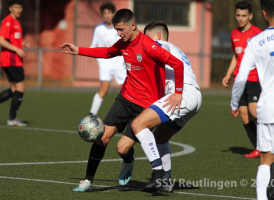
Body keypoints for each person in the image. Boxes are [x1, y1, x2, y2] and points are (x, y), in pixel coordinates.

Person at [59, 9, 184, 192]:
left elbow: (177, 64)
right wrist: (78, 50)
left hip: (147, 107)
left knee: (122, 148)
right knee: (102, 137)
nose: (118, 33)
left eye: (121, 29)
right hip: (125, 99)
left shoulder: (149, 46)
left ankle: (128, 161)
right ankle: (88, 180)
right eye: (116, 30)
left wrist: (178, 92)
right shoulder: (123, 44)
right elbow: (107, 51)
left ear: (133, 26)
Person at [115, 21, 202, 192]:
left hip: (181, 96)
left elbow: (157, 53)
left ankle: (158, 173)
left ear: (158, 36)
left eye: (147, 39)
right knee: (160, 138)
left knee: (138, 124)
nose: (146, 43)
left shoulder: (161, 45)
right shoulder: (178, 49)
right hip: (195, 98)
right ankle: (166, 181)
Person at [230, 0, 274, 199]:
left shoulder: (256, 41)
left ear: (263, 13)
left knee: (265, 159)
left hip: (268, 107)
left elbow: (241, 76)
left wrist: (234, 102)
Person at [222, 1, 262, 158]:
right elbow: (235, 56)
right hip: (239, 80)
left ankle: (268, 142)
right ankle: (258, 147)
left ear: (250, 16)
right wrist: (228, 74)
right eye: (238, 15)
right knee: (244, 115)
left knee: (254, 111)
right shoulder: (234, 34)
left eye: (244, 15)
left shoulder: (258, 34)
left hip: (254, 79)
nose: (240, 18)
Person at [0, 0, 28, 126]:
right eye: (16, 7)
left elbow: (12, 41)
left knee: (14, 89)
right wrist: (17, 49)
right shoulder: (8, 21)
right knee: (21, 87)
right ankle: (12, 118)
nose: (19, 9)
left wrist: (22, 44)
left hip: (13, 60)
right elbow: (1, 40)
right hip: (11, 60)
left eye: (20, 7)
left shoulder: (16, 22)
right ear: (10, 8)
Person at [88, 2, 126, 116]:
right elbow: (93, 44)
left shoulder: (119, 28)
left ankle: (129, 112)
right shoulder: (99, 29)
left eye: (110, 13)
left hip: (119, 63)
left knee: (126, 89)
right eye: (105, 13)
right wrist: (91, 54)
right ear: (103, 15)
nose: (108, 15)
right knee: (104, 89)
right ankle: (91, 114)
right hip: (105, 63)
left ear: (114, 14)